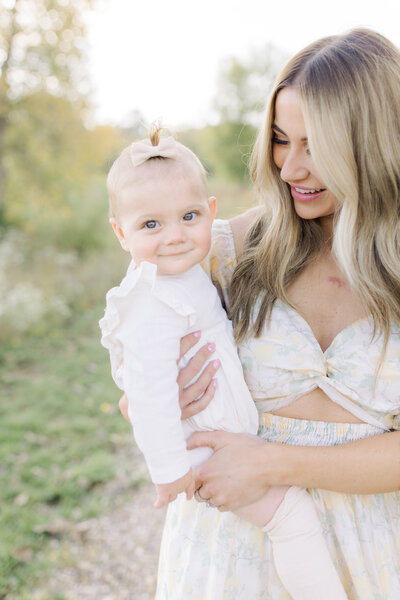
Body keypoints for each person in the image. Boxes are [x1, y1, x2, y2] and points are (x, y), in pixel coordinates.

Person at [125, 28, 399, 599]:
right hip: (229, 556)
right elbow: (139, 379)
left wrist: (274, 463)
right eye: (279, 140)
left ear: (374, 142)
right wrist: (155, 400)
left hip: (373, 559)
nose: (290, 169)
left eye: (315, 145)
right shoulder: (226, 251)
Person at [100, 124, 347, 599]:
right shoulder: (152, 302)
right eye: (150, 225)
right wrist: (171, 470)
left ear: (210, 214)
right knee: (292, 520)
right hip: (208, 450)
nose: (174, 236)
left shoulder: (189, 274)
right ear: (121, 233)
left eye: (188, 217)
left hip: (225, 437)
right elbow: (147, 396)